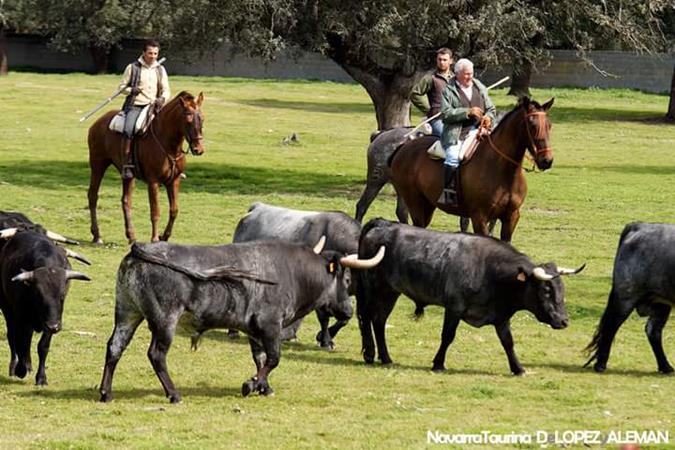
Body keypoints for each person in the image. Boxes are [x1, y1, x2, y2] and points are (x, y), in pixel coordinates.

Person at [438, 58, 496, 205]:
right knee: (452, 157)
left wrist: (488, 118)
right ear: (457, 74)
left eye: (471, 73)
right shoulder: (448, 90)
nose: (470, 77)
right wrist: (467, 112)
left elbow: (491, 109)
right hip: (457, 133)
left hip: (480, 131)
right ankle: (449, 195)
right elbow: (445, 114)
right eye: (466, 74)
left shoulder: (479, 86)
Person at [118, 39, 170, 179]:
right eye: (150, 53)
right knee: (129, 129)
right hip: (136, 106)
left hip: (154, 106)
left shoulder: (160, 69)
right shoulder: (132, 68)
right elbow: (121, 88)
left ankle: (173, 165)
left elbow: (166, 90)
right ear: (143, 53)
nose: (153, 56)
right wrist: (131, 90)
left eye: (155, 53)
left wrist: (162, 99)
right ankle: (127, 164)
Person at [410, 48, 454, 137]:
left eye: (445, 60)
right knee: (447, 138)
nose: (442, 62)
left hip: (454, 118)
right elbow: (415, 94)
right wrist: (429, 110)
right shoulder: (431, 78)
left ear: (451, 61)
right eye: (439, 59)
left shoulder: (455, 79)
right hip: (437, 119)